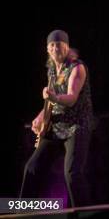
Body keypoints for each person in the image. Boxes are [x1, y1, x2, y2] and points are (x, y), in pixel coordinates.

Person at [20, 30, 93, 208]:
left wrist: (53, 98)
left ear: (66, 47)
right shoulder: (52, 70)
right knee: (32, 168)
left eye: (58, 45)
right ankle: (22, 211)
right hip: (57, 125)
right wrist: (40, 117)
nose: (55, 48)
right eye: (51, 45)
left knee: (72, 174)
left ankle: (84, 212)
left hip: (77, 126)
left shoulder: (77, 68)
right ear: (47, 49)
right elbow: (50, 102)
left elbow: (71, 97)